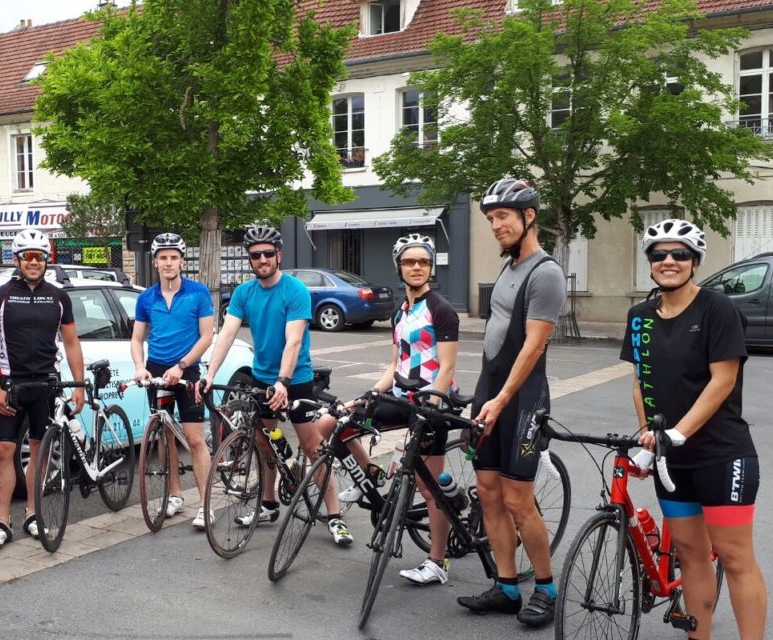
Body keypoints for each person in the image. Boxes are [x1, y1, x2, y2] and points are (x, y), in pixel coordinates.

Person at [623, 219, 765, 640]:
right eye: (659, 254)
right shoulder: (639, 317)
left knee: (735, 558)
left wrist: (680, 432)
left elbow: (722, 380)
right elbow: (639, 381)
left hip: (722, 454)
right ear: (649, 263)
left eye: (679, 254)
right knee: (691, 555)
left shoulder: (718, 309)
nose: (669, 261)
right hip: (672, 459)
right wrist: (649, 434)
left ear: (694, 261)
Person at [456, 178, 566, 627]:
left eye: (503, 216)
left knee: (520, 500)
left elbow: (533, 347)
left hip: (522, 401)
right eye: (490, 218)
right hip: (491, 392)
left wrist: (502, 399)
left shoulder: (546, 273)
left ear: (529, 217)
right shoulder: (509, 266)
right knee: (487, 494)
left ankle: (544, 588)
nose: (496, 225)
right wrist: (485, 396)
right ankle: (505, 587)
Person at [202, 224, 353, 546]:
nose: (262, 259)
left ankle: (335, 515)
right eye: (255, 255)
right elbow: (227, 334)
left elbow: (294, 340)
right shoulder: (244, 293)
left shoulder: (295, 290)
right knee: (263, 444)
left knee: (313, 448)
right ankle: (269, 504)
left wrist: (283, 381)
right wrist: (210, 374)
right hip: (261, 378)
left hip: (295, 379)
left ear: (278, 255)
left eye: (268, 253)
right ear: (250, 259)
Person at [335, 233, 460, 584]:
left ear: (431, 266)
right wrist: (367, 396)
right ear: (399, 267)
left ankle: (438, 561)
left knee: (428, 486)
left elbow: (447, 368)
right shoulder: (400, 311)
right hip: (401, 398)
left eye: (422, 261)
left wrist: (432, 400)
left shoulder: (441, 309)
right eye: (409, 261)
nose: (416, 267)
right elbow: (395, 365)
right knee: (337, 424)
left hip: (431, 403)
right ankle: (368, 477)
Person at [0, 228, 86, 549]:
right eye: (27, 256)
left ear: (47, 259)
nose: (33, 262)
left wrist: (78, 385)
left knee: (38, 454)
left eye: (39, 256)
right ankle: (1, 521)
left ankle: (32, 514)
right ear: (16, 260)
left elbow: (71, 342)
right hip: (11, 385)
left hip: (46, 386)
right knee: (2, 451)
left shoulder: (58, 296)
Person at [131, 232, 215, 530]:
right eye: (163, 258)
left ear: (182, 261)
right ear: (155, 262)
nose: (168, 263)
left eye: (173, 258)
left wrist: (182, 365)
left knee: (193, 439)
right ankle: (176, 495)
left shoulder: (198, 292)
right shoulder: (146, 297)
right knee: (164, 436)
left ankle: (206, 504)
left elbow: (207, 336)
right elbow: (137, 337)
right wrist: (140, 367)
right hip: (157, 370)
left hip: (187, 371)